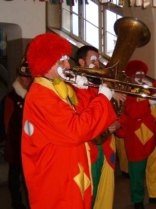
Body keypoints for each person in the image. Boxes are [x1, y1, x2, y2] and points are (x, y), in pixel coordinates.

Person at [21, 33, 117, 209]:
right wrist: (103, 98)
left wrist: (82, 90)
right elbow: (77, 130)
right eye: (62, 61)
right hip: (57, 181)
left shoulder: (55, 88)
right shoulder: (40, 96)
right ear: (47, 62)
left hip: (69, 173)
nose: (68, 65)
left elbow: (81, 119)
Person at [115, 60, 156, 209]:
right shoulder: (125, 91)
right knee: (137, 172)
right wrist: (150, 101)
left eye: (142, 73)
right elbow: (133, 111)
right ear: (129, 76)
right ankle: (138, 200)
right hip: (138, 137)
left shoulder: (150, 87)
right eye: (136, 74)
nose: (140, 76)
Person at [76, 45, 126, 209]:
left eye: (98, 60)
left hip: (107, 147)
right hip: (91, 148)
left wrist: (117, 122)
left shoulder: (101, 85)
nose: (98, 63)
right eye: (93, 60)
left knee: (106, 193)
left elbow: (116, 112)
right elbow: (85, 117)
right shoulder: (76, 88)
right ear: (81, 62)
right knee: (91, 193)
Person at [4, 57, 32, 209]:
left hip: (30, 144)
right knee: (15, 176)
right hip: (16, 144)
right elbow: (7, 123)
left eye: (28, 77)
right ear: (19, 78)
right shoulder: (12, 97)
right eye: (23, 77)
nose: (26, 80)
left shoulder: (34, 95)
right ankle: (16, 203)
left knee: (29, 177)